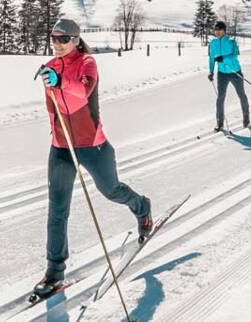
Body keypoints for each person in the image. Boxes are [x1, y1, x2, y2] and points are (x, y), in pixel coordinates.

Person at [32, 18, 152, 299]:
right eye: (54, 37)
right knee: (57, 210)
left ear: (75, 39)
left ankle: (142, 207)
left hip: (92, 145)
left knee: (111, 190)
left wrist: (61, 82)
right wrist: (54, 83)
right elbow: (57, 109)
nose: (57, 43)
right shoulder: (49, 67)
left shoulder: (87, 63)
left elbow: (81, 95)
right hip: (61, 147)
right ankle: (54, 272)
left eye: (64, 38)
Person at [208, 20, 249, 132]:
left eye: (220, 30)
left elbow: (234, 55)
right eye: (216, 30)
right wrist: (211, 72)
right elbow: (211, 58)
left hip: (235, 72)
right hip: (222, 74)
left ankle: (246, 117)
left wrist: (222, 57)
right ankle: (220, 123)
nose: (217, 32)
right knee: (220, 98)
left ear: (224, 31)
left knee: (242, 96)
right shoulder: (213, 43)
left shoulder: (232, 42)